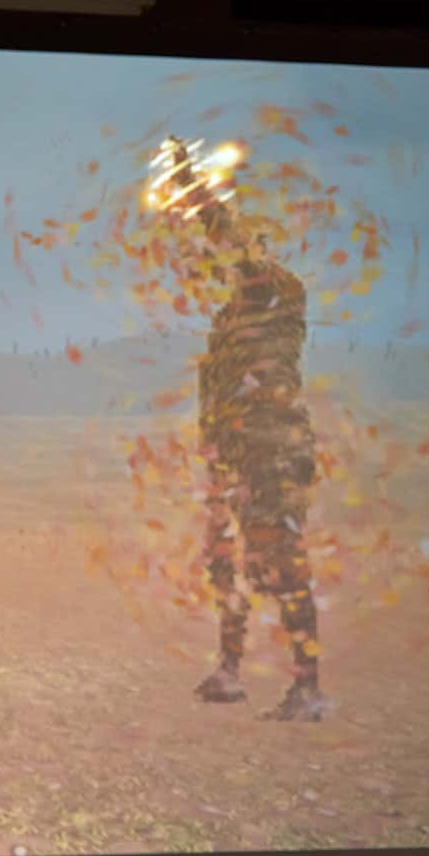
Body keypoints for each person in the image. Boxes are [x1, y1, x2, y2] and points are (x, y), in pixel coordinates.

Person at [155, 136, 328, 722]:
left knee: (277, 559)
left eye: (248, 248)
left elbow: (229, 239)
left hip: (273, 451)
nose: (236, 258)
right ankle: (230, 671)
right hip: (233, 451)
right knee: (226, 559)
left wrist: (189, 184)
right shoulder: (233, 314)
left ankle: (308, 688)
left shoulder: (276, 291)